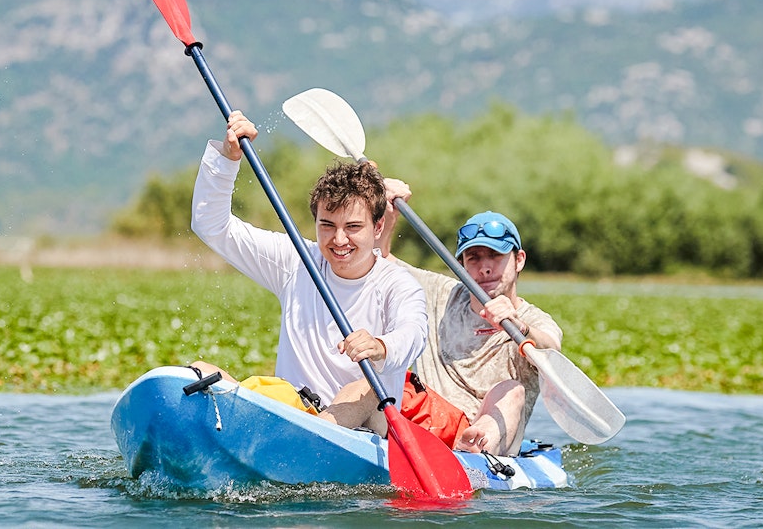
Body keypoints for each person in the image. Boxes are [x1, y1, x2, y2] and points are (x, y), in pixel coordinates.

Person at [189, 111, 428, 436]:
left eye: (353, 227)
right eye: (327, 226)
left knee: (363, 388)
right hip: (294, 412)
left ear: (379, 227)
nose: (339, 240)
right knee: (199, 373)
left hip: (366, 428)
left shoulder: (398, 284)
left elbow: (413, 334)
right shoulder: (296, 259)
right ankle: (285, 436)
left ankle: (314, 436)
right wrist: (229, 159)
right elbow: (212, 226)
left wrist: (380, 346)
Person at [377, 179, 563, 456]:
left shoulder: (533, 319)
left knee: (512, 390)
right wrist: (388, 212)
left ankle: (472, 448)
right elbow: (379, 259)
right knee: (385, 375)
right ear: (461, 264)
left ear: (519, 260)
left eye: (495, 256)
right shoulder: (439, 292)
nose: (484, 268)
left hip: (489, 437)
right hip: (432, 422)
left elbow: (551, 347)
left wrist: (519, 326)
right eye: (473, 258)